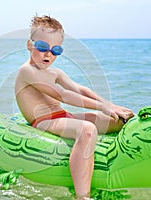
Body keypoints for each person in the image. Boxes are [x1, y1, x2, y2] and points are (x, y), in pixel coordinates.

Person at [15, 15, 134, 200]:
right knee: (87, 129)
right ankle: (82, 195)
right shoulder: (27, 71)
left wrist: (110, 106)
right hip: (44, 121)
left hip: (64, 116)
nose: (48, 54)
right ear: (29, 45)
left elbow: (79, 89)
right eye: (42, 47)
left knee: (118, 120)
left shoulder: (55, 72)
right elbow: (62, 95)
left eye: (55, 50)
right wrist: (102, 107)